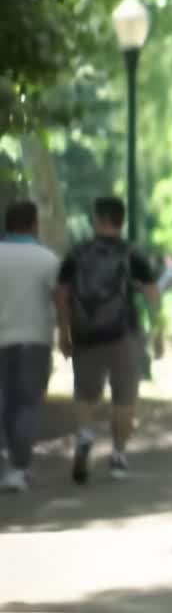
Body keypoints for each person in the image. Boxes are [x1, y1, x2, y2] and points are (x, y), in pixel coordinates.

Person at [55, 196, 164, 484]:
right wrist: (157, 331)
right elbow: (152, 295)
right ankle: (118, 456)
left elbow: (63, 295)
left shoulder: (76, 254)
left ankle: (86, 434)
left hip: (86, 336)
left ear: (99, 219)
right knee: (124, 398)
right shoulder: (133, 254)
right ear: (120, 220)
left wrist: (63, 332)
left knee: (85, 395)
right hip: (124, 334)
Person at [0, 202, 62, 493]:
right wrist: (67, 334)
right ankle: (18, 468)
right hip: (34, 341)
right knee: (25, 404)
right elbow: (60, 300)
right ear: (34, 223)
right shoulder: (47, 259)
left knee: (5, 404)